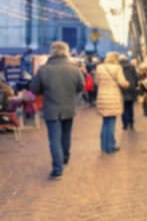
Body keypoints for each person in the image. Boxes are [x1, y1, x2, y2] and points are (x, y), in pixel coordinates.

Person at [30, 41, 84, 181]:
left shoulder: (44, 69)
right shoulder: (74, 69)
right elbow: (81, 87)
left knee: (54, 139)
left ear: (51, 52)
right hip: (69, 107)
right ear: (67, 51)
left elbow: (34, 89)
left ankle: (57, 169)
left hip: (51, 108)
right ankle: (65, 159)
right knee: (66, 135)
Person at [95, 52, 129, 154]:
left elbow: (96, 82)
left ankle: (103, 146)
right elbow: (122, 82)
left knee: (105, 121)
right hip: (113, 95)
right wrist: (128, 84)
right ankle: (110, 147)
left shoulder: (99, 67)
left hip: (102, 95)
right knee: (111, 122)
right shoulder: (117, 68)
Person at [119, 55, 138, 130]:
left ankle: (125, 124)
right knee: (130, 106)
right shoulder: (131, 66)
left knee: (123, 107)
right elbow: (135, 77)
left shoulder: (118, 67)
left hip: (122, 88)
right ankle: (131, 122)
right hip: (131, 88)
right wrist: (135, 85)